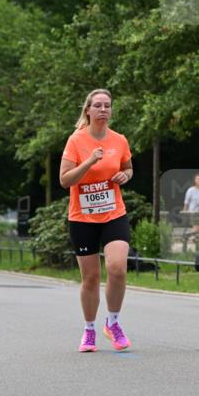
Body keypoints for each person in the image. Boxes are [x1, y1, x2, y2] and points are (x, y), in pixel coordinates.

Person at [59, 88, 133, 352]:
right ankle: (89, 329)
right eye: (98, 105)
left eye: (107, 106)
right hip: (83, 218)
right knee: (90, 278)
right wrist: (89, 162)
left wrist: (126, 175)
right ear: (88, 110)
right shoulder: (76, 141)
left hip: (114, 213)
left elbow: (127, 167)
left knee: (117, 268)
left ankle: (112, 323)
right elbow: (65, 180)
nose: (103, 109)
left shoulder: (119, 140)